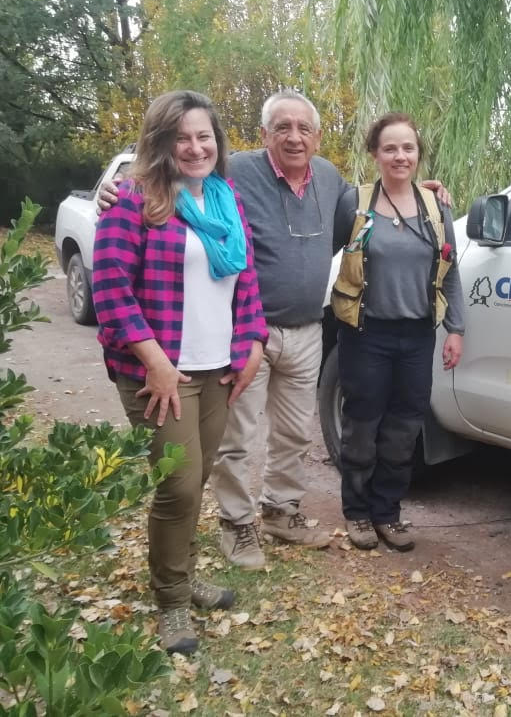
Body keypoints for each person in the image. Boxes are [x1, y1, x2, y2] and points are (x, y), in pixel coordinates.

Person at [99, 90, 452, 569]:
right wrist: (117, 188)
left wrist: (422, 189)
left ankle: (281, 512)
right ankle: (237, 524)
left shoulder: (332, 183)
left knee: (293, 434)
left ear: (318, 136)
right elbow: (172, 175)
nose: (294, 136)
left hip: (307, 329)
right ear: (264, 134)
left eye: (304, 128)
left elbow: (381, 203)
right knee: (237, 438)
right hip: (246, 333)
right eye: (282, 127)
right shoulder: (233, 172)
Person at [92, 90, 268, 654]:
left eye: (204, 136)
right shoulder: (136, 201)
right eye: (182, 137)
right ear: (162, 142)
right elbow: (111, 291)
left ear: (217, 141)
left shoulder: (225, 200)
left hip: (217, 367)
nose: (195, 148)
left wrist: (253, 344)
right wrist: (156, 361)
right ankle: (170, 600)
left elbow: (246, 281)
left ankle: (185, 576)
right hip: (158, 373)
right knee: (177, 484)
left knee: (196, 482)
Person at [331, 113, 464, 551]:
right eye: (390, 148)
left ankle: (387, 512)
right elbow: (316, 248)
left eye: (408, 147)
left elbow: (450, 274)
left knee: (404, 428)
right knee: (362, 425)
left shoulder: (436, 207)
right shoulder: (354, 203)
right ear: (375, 154)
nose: (400, 156)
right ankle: (357, 512)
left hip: (417, 335)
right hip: (365, 333)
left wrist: (455, 328)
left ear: (418, 154)